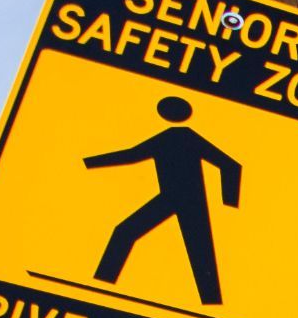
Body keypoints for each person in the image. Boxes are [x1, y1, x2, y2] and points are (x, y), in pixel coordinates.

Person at [84, 96, 241, 306]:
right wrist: (90, 162)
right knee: (125, 232)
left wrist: (229, 202)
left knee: (201, 253)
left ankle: (212, 305)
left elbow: (230, 165)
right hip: (170, 197)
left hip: (191, 201)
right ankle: (100, 285)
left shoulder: (187, 137)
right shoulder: (166, 137)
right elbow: (132, 155)